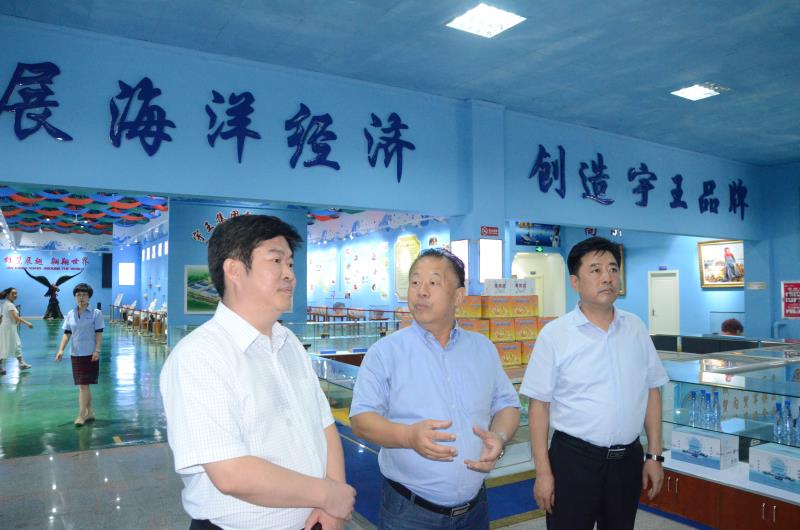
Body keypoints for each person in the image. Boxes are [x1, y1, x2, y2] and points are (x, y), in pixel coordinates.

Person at [160, 214, 355, 530]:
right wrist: (329, 494)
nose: (289, 274)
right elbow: (231, 473)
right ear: (235, 271)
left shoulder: (288, 342)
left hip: (314, 520)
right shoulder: (199, 355)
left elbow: (324, 423)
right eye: (276, 261)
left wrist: (331, 505)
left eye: (290, 263)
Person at [350, 248, 520, 530]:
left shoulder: (482, 348)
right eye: (415, 282)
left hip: (475, 510)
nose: (421, 291)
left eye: (433, 282)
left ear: (459, 296)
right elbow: (361, 420)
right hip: (410, 512)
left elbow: (507, 405)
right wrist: (408, 436)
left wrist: (499, 437)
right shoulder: (386, 352)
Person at [520, 237, 669, 530]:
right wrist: (543, 472)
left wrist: (654, 455)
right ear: (574, 282)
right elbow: (539, 407)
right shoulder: (555, 334)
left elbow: (652, 390)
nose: (607, 278)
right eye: (596, 270)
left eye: (613, 269)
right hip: (574, 461)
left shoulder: (635, 328)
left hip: (627, 460)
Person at [55, 283, 104, 426]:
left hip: (90, 354)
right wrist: (61, 350)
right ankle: (90, 412)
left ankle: (82, 416)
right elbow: (67, 333)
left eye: (84, 295)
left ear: (89, 297)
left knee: (83, 385)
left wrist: (97, 350)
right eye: (78, 295)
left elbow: (99, 334)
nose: (81, 297)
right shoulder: (71, 314)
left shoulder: (96, 313)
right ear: (75, 297)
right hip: (75, 354)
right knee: (84, 385)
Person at [0, 287, 33, 376]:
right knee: (5, 347)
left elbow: (3, 317)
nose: (15, 295)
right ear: (8, 295)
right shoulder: (10, 305)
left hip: (8, 328)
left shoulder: (6, 304)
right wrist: (27, 323)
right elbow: (16, 317)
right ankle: (21, 363)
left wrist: (14, 324)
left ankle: (21, 363)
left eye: (16, 293)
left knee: (14, 345)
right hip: (7, 329)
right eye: (13, 293)